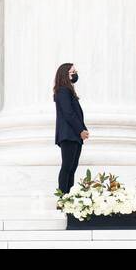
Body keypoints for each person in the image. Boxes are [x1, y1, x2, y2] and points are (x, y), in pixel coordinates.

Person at [53, 62, 88, 194]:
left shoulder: (68, 91)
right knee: (67, 167)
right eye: (73, 72)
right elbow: (68, 113)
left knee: (72, 168)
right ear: (65, 74)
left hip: (74, 135)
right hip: (69, 135)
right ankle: (62, 197)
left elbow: (75, 113)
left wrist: (83, 129)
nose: (75, 74)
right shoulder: (63, 91)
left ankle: (68, 196)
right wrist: (80, 130)